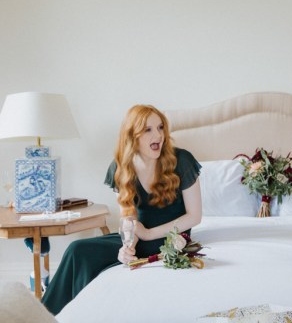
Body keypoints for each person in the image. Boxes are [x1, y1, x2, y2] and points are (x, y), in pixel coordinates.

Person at [42, 105, 202, 315]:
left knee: (87, 256)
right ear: (132, 136)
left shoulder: (182, 160)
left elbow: (195, 216)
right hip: (140, 238)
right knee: (77, 250)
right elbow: (129, 218)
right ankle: (44, 316)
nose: (159, 135)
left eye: (160, 127)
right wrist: (128, 246)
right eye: (148, 130)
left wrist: (148, 233)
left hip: (172, 239)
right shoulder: (120, 168)